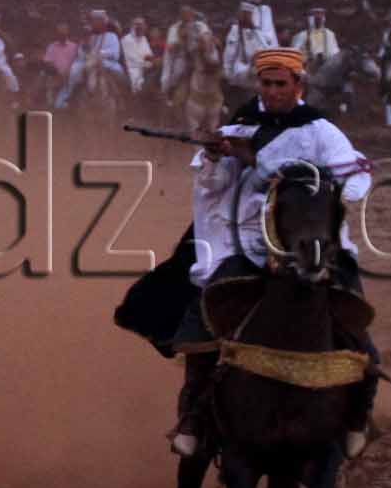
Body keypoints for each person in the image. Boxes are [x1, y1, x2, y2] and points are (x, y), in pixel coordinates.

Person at [157, 48, 377, 459]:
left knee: (355, 317)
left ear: (298, 86)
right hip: (250, 240)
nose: (273, 91)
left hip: (311, 241)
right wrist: (214, 155)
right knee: (208, 313)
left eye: (281, 84)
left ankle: (357, 414)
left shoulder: (319, 131)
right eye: (267, 84)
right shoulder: (239, 126)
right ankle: (193, 416)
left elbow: (355, 181)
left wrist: (293, 180)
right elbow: (212, 186)